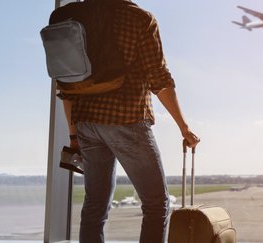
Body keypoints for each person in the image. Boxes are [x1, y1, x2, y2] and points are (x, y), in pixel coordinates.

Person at [56, 0, 199, 242]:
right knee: (156, 203)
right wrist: (184, 127)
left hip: (86, 122)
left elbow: (66, 85)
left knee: (95, 205)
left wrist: (73, 134)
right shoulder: (140, 19)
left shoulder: (74, 17)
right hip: (126, 118)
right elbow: (159, 79)